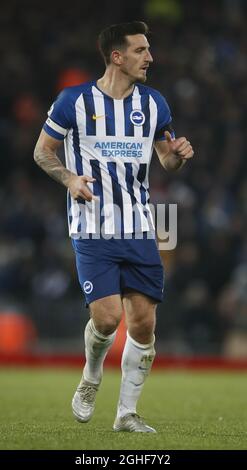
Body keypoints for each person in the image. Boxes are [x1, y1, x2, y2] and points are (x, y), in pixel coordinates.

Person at [34, 21, 194, 433]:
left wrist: (177, 155)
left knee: (143, 324)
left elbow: (166, 160)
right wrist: (69, 179)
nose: (150, 57)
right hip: (92, 227)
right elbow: (42, 152)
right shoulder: (73, 101)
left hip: (141, 226)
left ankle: (126, 413)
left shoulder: (154, 104)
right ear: (117, 57)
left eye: (149, 50)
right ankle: (90, 376)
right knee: (106, 319)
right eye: (141, 50)